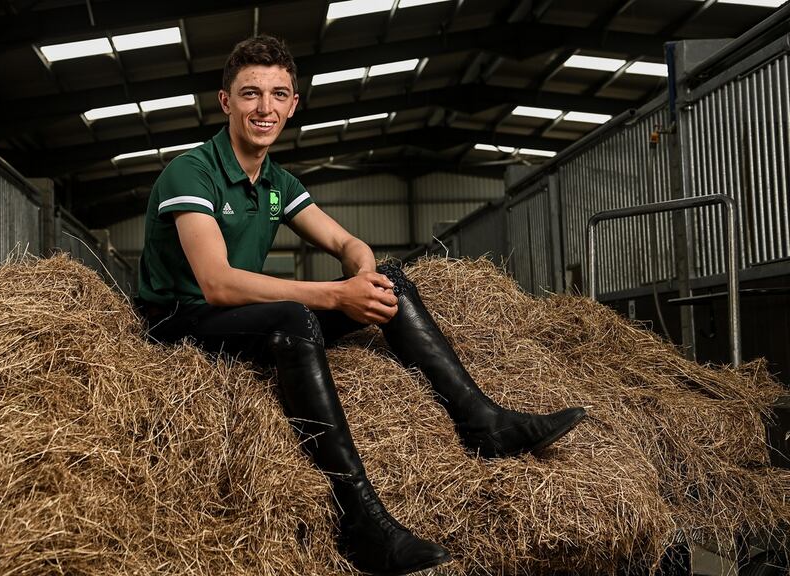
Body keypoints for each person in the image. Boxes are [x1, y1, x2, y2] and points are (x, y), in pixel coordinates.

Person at [135, 35, 587, 576]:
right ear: (226, 102)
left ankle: (483, 422)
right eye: (250, 94)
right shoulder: (193, 172)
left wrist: (364, 272)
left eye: (279, 94)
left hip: (235, 316)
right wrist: (333, 295)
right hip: (180, 323)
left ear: (294, 104)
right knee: (295, 316)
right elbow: (219, 285)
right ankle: (359, 521)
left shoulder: (276, 184)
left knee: (390, 280)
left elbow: (346, 244)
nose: (265, 108)